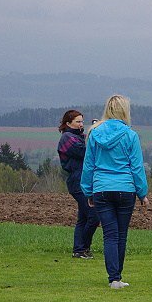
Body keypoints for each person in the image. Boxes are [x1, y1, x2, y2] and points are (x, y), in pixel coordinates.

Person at [81, 95, 148, 289]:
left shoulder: (94, 134)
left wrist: (88, 191)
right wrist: (142, 193)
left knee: (109, 234)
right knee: (121, 234)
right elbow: (136, 168)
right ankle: (118, 276)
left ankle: (114, 278)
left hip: (101, 188)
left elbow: (89, 165)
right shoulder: (130, 135)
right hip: (126, 189)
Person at [57, 109, 100, 258]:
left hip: (83, 180)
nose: (81, 124)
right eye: (78, 122)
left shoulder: (76, 136)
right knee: (93, 215)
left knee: (83, 218)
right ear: (68, 123)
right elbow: (85, 151)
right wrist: (94, 135)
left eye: (82, 121)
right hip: (78, 181)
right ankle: (83, 248)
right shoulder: (68, 138)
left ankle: (79, 249)